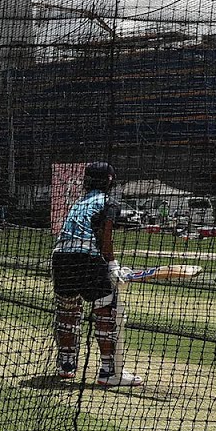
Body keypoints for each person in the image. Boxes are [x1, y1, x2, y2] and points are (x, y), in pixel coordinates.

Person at [51, 161, 141, 387]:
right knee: (105, 309)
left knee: (68, 310)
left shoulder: (78, 202)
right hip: (87, 257)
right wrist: (112, 264)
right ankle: (109, 372)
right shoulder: (108, 202)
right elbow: (104, 234)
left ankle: (66, 365)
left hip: (61, 257)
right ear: (110, 180)